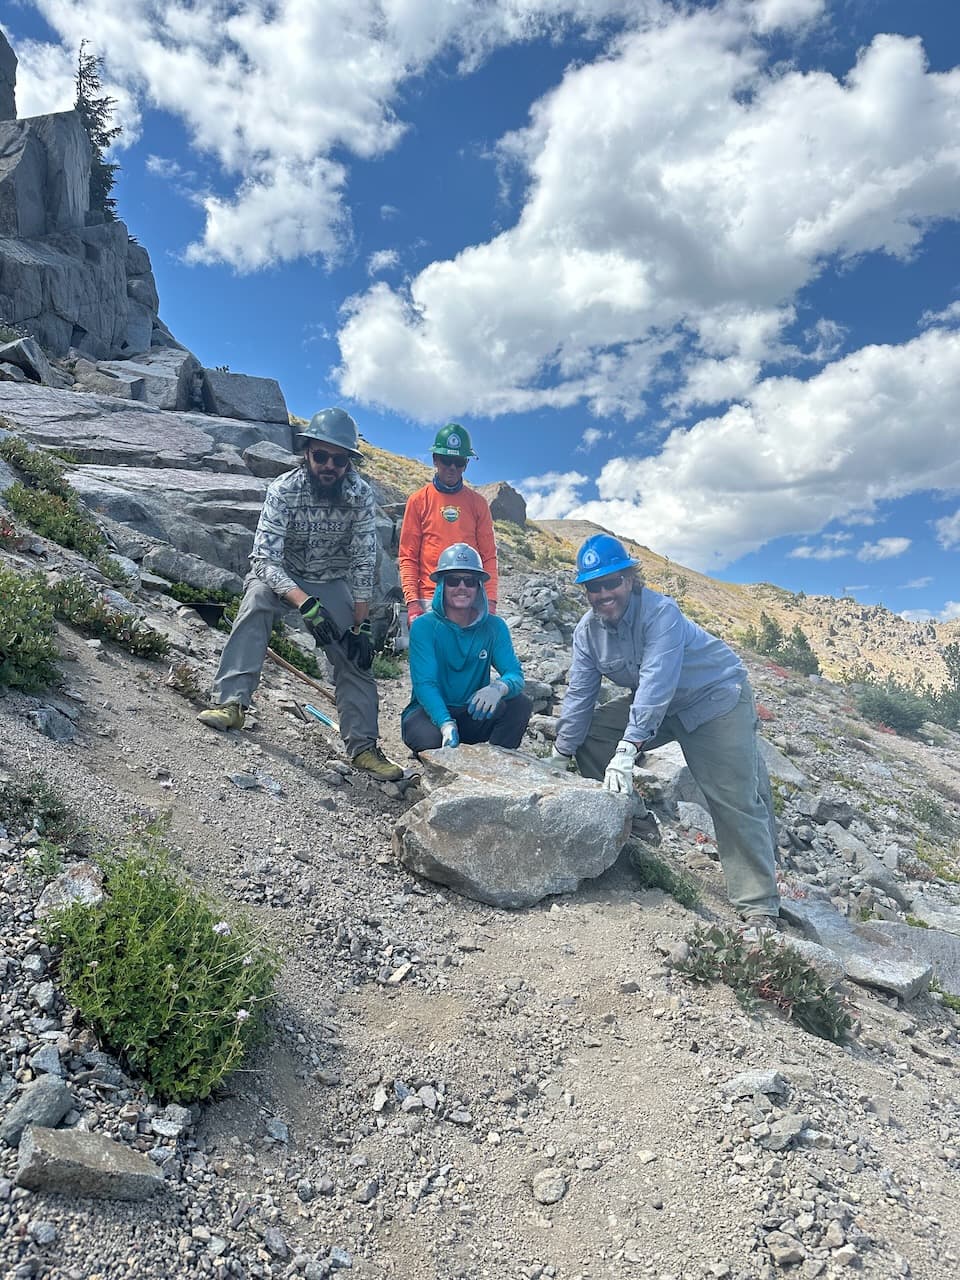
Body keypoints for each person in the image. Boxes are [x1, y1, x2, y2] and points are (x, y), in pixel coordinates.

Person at [551, 534, 781, 930]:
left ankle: (759, 906)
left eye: (612, 582)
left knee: (734, 798)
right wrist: (560, 753)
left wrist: (628, 750)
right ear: (585, 591)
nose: (604, 593)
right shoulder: (588, 633)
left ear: (630, 579)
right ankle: (631, 819)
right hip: (659, 704)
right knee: (591, 736)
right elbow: (579, 696)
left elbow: (657, 682)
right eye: (594, 586)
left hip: (714, 699)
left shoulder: (661, 613)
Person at [198, 407, 403, 782]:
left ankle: (364, 747)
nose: (329, 465)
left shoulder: (360, 496)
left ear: (348, 463)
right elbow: (263, 559)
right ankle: (231, 702)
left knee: (355, 655)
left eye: (339, 459)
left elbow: (361, 561)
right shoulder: (283, 490)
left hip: (331, 579)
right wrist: (303, 602)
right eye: (321, 455)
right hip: (283, 576)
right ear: (306, 452)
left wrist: (359, 624)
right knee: (256, 600)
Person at [401, 543, 531, 753]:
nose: (462, 587)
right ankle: (438, 760)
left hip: (473, 711)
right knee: (427, 737)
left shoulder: (494, 627)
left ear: (478, 586)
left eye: (469, 581)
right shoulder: (424, 627)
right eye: (453, 580)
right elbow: (425, 684)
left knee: (519, 704)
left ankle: (499, 761)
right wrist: (445, 723)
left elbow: (515, 674)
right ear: (442, 585)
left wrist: (498, 688)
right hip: (429, 713)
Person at [398, 424, 499, 629]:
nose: (452, 467)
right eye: (446, 460)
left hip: (468, 599)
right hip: (429, 599)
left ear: (466, 464)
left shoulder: (478, 504)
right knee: (429, 661)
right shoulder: (418, 500)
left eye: (459, 461)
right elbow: (408, 556)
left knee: (470, 660)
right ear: (435, 459)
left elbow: (488, 556)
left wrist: (491, 603)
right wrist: (413, 604)